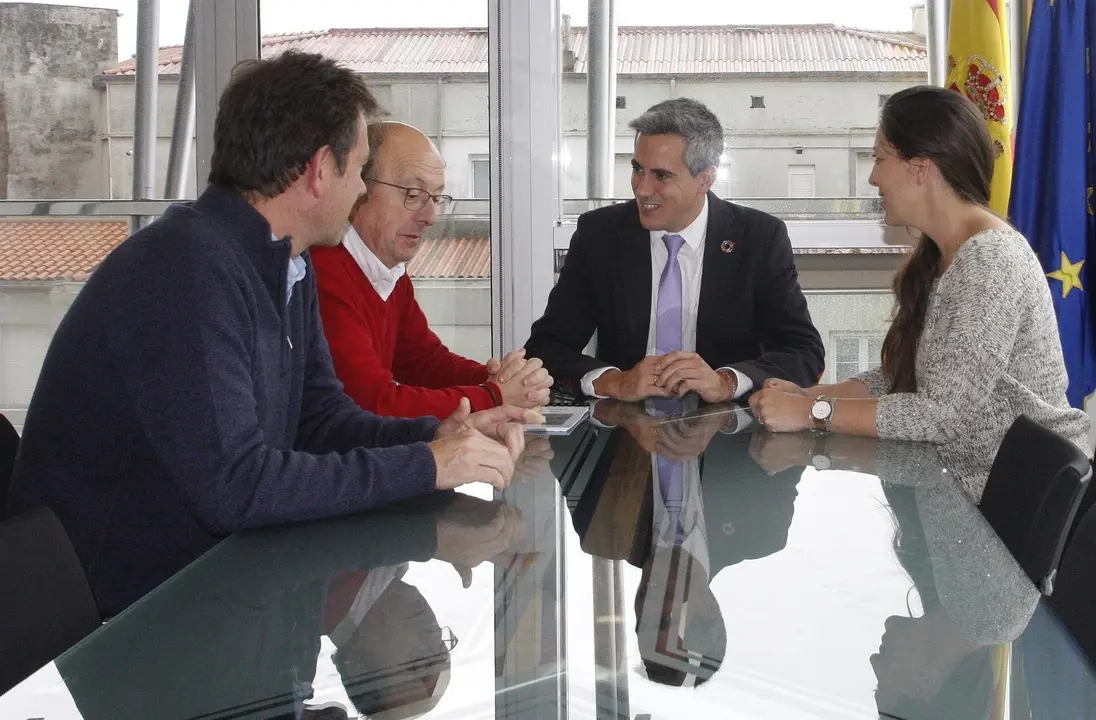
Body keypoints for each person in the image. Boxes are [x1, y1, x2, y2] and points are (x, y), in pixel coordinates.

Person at [4, 51, 537, 617]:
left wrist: (437, 433)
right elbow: (236, 486)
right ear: (317, 170)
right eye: (358, 170)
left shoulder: (286, 263)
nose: (360, 190)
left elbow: (319, 420)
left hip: (210, 593)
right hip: (116, 622)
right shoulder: (185, 272)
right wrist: (428, 464)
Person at [749, 85, 1091, 501]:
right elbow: (903, 379)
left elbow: (940, 415)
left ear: (921, 168)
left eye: (879, 158)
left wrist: (811, 413)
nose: (873, 177)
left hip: (1018, 501)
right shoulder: (944, 255)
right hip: (965, 490)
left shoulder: (990, 261)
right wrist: (808, 395)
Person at [525, 97, 824, 403]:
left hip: (728, 433)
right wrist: (616, 382)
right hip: (623, 433)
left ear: (704, 180)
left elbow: (803, 352)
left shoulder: (758, 238)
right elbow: (544, 349)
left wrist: (727, 382)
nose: (642, 189)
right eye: (638, 169)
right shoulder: (601, 235)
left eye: (661, 175)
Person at [312, 120, 552, 418]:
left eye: (437, 198)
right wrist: (494, 395)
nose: (430, 217)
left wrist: (501, 380)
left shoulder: (388, 272)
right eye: (413, 195)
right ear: (359, 188)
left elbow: (423, 362)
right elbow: (373, 402)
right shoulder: (323, 270)